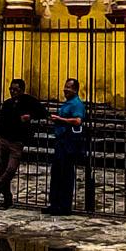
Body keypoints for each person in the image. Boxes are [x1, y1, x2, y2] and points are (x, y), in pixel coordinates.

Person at [0, 79, 46, 208]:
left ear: (22, 90)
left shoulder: (28, 101)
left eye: (16, 89)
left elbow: (43, 112)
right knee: (2, 168)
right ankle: (6, 197)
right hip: (4, 138)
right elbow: (0, 121)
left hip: (17, 141)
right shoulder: (7, 103)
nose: (13, 92)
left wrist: (30, 116)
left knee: (10, 169)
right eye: (11, 89)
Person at [43, 78, 86, 216]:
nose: (66, 89)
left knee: (65, 174)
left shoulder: (77, 104)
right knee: (56, 173)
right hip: (61, 141)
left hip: (68, 142)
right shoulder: (68, 103)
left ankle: (64, 206)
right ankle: (55, 204)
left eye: (69, 87)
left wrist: (60, 120)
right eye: (65, 87)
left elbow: (78, 121)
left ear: (75, 89)